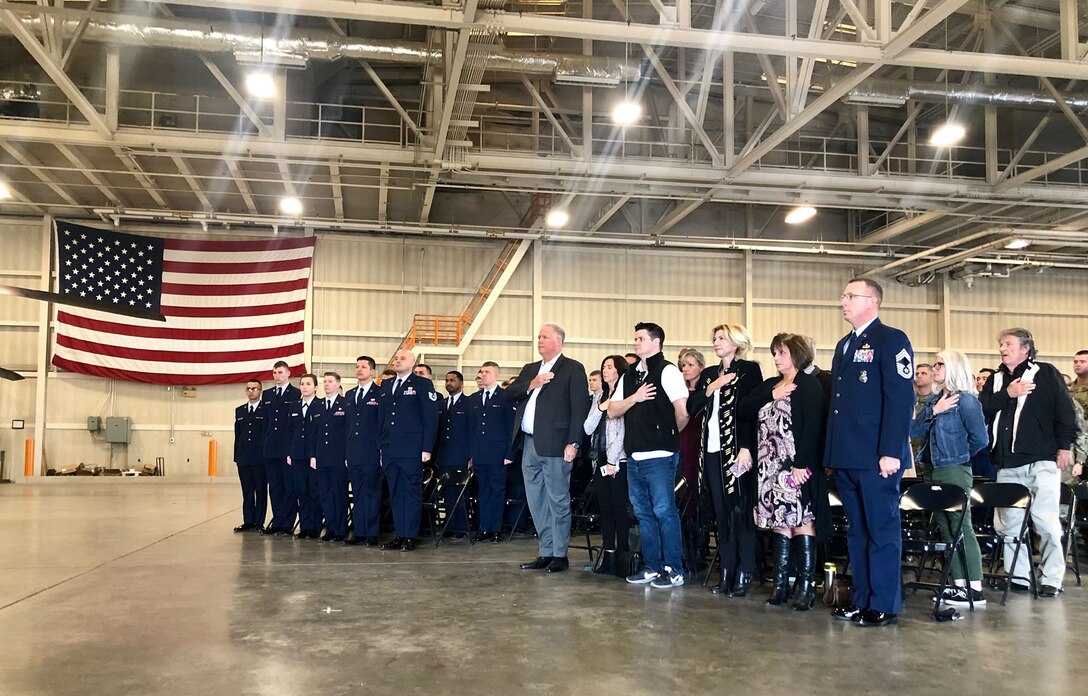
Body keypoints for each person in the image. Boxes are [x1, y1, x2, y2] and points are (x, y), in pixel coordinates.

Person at [825, 277, 914, 628]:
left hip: (877, 456)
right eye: (843, 295)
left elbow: (900, 398)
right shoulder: (845, 344)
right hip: (847, 454)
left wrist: (891, 451)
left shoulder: (891, 340)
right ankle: (861, 599)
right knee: (857, 531)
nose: (843, 301)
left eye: (850, 296)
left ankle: (884, 603)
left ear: (872, 302)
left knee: (882, 530)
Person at [979, 328, 1076, 597]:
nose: (1002, 348)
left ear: (1026, 349)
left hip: (1041, 460)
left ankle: (1052, 578)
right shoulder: (996, 380)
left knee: (1045, 522)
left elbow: (1064, 410)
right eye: (1000, 344)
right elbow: (981, 409)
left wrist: (1064, 446)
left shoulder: (1045, 373)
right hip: (1007, 464)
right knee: (1009, 525)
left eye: (1008, 344)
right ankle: (1019, 577)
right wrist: (1007, 394)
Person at [739, 334, 828, 610]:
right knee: (779, 522)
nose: (776, 358)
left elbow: (813, 427)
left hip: (795, 467)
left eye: (782, 353)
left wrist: (803, 464)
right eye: (775, 353)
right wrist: (772, 395)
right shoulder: (770, 385)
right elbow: (743, 409)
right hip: (769, 467)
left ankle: (805, 586)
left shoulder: (809, 385)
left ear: (797, 355)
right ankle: (780, 585)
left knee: (802, 520)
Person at [608, 322, 690, 589]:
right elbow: (612, 410)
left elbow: (682, 412)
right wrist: (636, 397)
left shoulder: (667, 371)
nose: (636, 342)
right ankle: (652, 566)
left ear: (656, 342)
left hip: (660, 455)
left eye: (641, 338)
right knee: (643, 513)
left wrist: (667, 436)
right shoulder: (630, 376)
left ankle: (673, 569)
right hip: (634, 456)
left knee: (664, 511)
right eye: (635, 338)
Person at [505, 323, 590, 574]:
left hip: (557, 445)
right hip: (529, 443)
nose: (540, 340)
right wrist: (533, 383)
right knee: (536, 501)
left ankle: (560, 554)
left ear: (559, 341)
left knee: (558, 500)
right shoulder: (531, 369)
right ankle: (545, 551)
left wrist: (574, 442)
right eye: (539, 337)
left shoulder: (573, 368)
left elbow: (579, 408)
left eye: (545, 337)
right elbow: (508, 395)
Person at [686, 323, 763, 596]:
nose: (716, 342)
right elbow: (692, 408)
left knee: (739, 513)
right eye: (715, 337)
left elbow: (750, 412)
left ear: (736, 342)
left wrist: (746, 447)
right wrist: (712, 388)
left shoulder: (748, 370)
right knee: (722, 515)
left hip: (735, 452)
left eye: (722, 337)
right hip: (711, 452)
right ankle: (726, 571)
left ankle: (744, 572)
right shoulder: (709, 375)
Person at [910, 350, 989, 606]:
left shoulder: (965, 400)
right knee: (944, 526)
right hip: (932, 467)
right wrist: (935, 410)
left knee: (961, 525)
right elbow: (913, 429)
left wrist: (959, 454)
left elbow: (980, 438)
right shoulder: (935, 400)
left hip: (954, 467)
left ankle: (974, 587)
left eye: (940, 364)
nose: (935, 369)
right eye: (934, 364)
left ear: (954, 367)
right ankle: (958, 585)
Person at [379, 349, 439, 552]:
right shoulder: (387, 385)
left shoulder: (422, 384)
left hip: (412, 449)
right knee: (395, 493)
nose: (397, 361)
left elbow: (430, 418)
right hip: (390, 449)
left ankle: (410, 536)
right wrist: (381, 445)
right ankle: (400, 534)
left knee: (411, 493)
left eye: (402, 358)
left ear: (413, 362)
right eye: (396, 358)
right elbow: (383, 417)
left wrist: (426, 448)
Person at [583, 355, 630, 575]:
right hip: (599, 459)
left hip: (618, 460)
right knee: (606, 510)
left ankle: (623, 557)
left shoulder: (625, 395)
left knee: (620, 510)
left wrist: (613, 459)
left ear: (619, 370)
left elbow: (623, 430)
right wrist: (601, 406)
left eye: (609, 367)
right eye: (603, 367)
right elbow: (588, 427)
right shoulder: (600, 396)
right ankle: (608, 555)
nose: (605, 370)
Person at [469, 361, 516, 542]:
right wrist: (472, 454)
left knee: (497, 491)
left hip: (498, 453)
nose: (483, 375)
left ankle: (496, 529)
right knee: (483, 491)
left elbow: (512, 428)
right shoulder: (474, 398)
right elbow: (472, 429)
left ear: (496, 375)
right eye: (481, 372)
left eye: (487, 372)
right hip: (480, 454)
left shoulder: (505, 397)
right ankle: (484, 528)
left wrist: (509, 454)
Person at [344, 356, 383, 546]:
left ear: (372, 372)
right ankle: (359, 532)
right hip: (353, 453)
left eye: (364, 367)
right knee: (358, 493)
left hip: (372, 452)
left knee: (372, 493)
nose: (359, 370)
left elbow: (383, 425)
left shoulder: (380, 394)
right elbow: (346, 427)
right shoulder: (350, 395)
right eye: (357, 366)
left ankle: (372, 533)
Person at [261, 361, 301, 535]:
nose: (277, 376)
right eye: (275, 372)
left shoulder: (296, 393)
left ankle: (287, 524)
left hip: (287, 448)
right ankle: (277, 522)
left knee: (288, 487)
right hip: (271, 448)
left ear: (288, 373)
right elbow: (266, 422)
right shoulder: (267, 394)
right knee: (275, 487)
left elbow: (296, 424)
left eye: (280, 372)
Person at [677, 349, 707, 574]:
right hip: (680, 445)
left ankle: (699, 550)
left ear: (700, 367)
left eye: (690, 364)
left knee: (696, 494)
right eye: (683, 365)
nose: (686, 368)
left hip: (699, 446)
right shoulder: (678, 391)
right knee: (682, 493)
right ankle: (684, 551)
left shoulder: (706, 392)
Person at [312, 372, 349, 542]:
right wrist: (313, 455)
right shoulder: (318, 406)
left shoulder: (345, 404)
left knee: (339, 494)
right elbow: (315, 433)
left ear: (338, 384)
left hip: (339, 458)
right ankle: (330, 528)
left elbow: (348, 433)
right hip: (322, 457)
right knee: (325, 494)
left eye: (330, 381)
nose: (326, 384)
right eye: (324, 381)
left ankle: (341, 529)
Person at [286, 373, 322, 539]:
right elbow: (290, 432)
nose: (305, 387)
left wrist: (315, 454)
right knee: (301, 492)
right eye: (302, 384)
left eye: (308, 384)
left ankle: (315, 527)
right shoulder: (294, 406)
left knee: (314, 491)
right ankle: (305, 526)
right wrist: (289, 452)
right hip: (297, 455)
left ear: (315, 387)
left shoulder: (320, 405)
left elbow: (319, 433)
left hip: (313, 456)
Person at [437, 370, 471, 537]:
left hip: (462, 456)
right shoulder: (441, 405)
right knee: (448, 492)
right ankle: (449, 526)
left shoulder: (469, 404)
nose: (449, 383)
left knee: (461, 493)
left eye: (452, 380)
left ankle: (461, 527)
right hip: (444, 456)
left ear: (461, 384)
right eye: (447, 380)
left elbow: (473, 430)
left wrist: (471, 455)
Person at [233, 380, 268, 532]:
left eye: (254, 388)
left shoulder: (265, 409)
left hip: (260, 458)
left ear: (260, 391)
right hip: (244, 457)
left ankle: (259, 522)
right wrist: (237, 456)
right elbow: (238, 434)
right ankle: (248, 521)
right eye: (248, 389)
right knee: (247, 491)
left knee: (260, 490)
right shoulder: (240, 410)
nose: (251, 391)